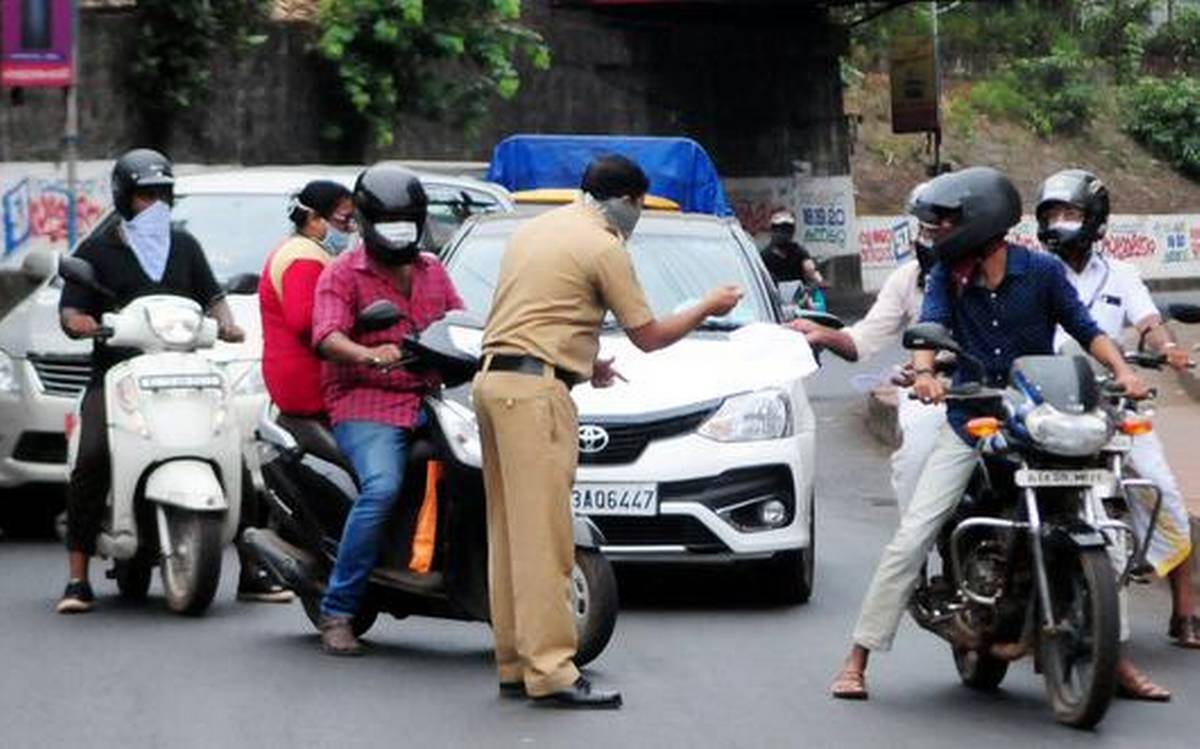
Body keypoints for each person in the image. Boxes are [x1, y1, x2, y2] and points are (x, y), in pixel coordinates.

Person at [827, 166, 1151, 701]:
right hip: (971, 419)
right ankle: (858, 656)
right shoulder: (946, 279)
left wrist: (1125, 372)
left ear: (980, 222)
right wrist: (927, 373)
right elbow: (926, 330)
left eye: (947, 222)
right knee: (914, 534)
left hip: (1037, 417)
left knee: (1102, 525)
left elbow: (1085, 330)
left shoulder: (1042, 273)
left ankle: (1113, 658)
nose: (937, 232)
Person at [473, 154, 742, 708]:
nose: (637, 215)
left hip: (494, 383)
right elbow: (650, 335)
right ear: (627, 200)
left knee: (507, 533)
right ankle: (551, 672)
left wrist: (583, 362)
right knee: (547, 538)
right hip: (536, 398)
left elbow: (540, 311)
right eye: (639, 205)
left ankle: (513, 661)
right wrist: (707, 305)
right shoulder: (603, 246)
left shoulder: (536, 231)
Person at [56, 148, 246, 613]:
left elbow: (214, 298)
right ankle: (78, 577)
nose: (155, 205)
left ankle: (255, 568)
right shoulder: (98, 250)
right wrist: (87, 324)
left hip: (183, 373)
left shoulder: (185, 247)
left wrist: (227, 323)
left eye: (163, 195)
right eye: (145, 196)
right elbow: (71, 312)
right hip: (116, 377)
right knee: (94, 455)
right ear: (124, 197)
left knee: (236, 450)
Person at [1038, 168, 1199, 658]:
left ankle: (1186, 607)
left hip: (1113, 399)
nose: (1060, 223)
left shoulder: (1121, 275)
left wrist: (1168, 348)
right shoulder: (1034, 271)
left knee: (1161, 487)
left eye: (1070, 214)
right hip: (1046, 401)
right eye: (1052, 215)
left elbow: (1148, 322)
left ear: (1095, 221)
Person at [309, 164, 464, 656]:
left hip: (432, 400)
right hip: (366, 402)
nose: (399, 227)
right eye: (389, 218)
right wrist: (370, 354)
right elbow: (327, 336)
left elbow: (460, 321)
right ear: (365, 221)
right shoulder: (342, 274)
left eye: (407, 218)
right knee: (382, 489)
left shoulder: (433, 271)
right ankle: (338, 609)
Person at [791, 182, 945, 509]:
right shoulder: (909, 278)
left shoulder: (1013, 273)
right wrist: (823, 333)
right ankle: (913, 551)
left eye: (939, 231)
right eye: (924, 231)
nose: (929, 241)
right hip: (932, 392)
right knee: (912, 463)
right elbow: (863, 341)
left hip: (996, 390)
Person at [259, 180, 355, 417]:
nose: (351, 229)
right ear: (313, 218)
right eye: (343, 220)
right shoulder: (304, 258)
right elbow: (305, 322)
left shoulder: (306, 250)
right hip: (308, 381)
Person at [762, 210, 824, 288]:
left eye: (787, 230)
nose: (783, 234)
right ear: (772, 231)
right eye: (779, 230)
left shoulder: (798, 251)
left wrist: (818, 279)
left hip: (798, 297)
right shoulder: (765, 256)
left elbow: (810, 268)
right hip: (773, 297)